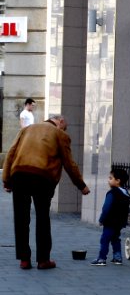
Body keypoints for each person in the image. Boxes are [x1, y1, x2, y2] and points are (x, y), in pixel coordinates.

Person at [2, 114, 90, 270]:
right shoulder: (60, 134)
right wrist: (81, 185)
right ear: (60, 122)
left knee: (21, 218)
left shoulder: (26, 129)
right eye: (65, 127)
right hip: (42, 177)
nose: (65, 130)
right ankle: (43, 260)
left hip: (20, 175)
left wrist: (7, 180)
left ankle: (24, 259)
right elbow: (69, 163)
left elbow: (11, 153)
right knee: (42, 218)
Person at [91, 168, 130, 266]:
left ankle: (101, 258)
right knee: (115, 239)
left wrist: (101, 219)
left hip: (110, 222)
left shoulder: (112, 193)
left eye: (110, 178)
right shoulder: (126, 194)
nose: (108, 180)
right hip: (119, 223)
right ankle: (117, 257)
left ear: (118, 181)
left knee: (105, 239)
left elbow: (106, 208)